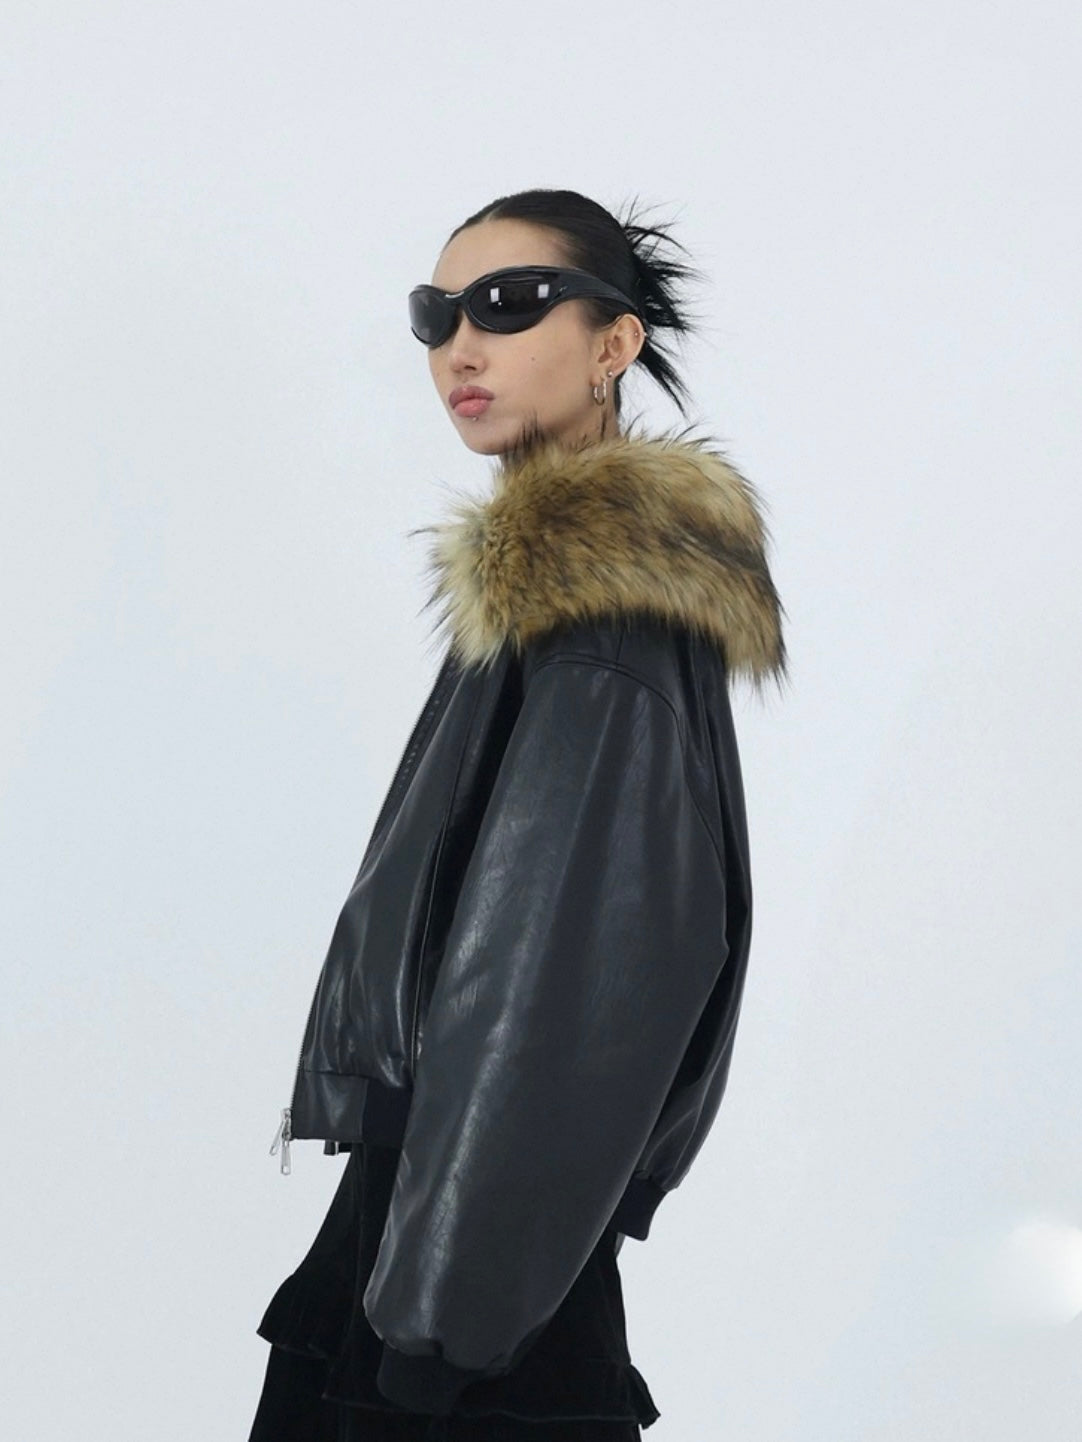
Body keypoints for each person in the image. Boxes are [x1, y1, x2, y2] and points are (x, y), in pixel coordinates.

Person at [247, 187, 788, 1442]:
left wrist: (440, 1325)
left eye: (509, 303)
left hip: (462, 1278)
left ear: (614, 343)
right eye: (436, 314)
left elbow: (554, 989)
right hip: (447, 1231)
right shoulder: (554, 600)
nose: (460, 346)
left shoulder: (601, 616)